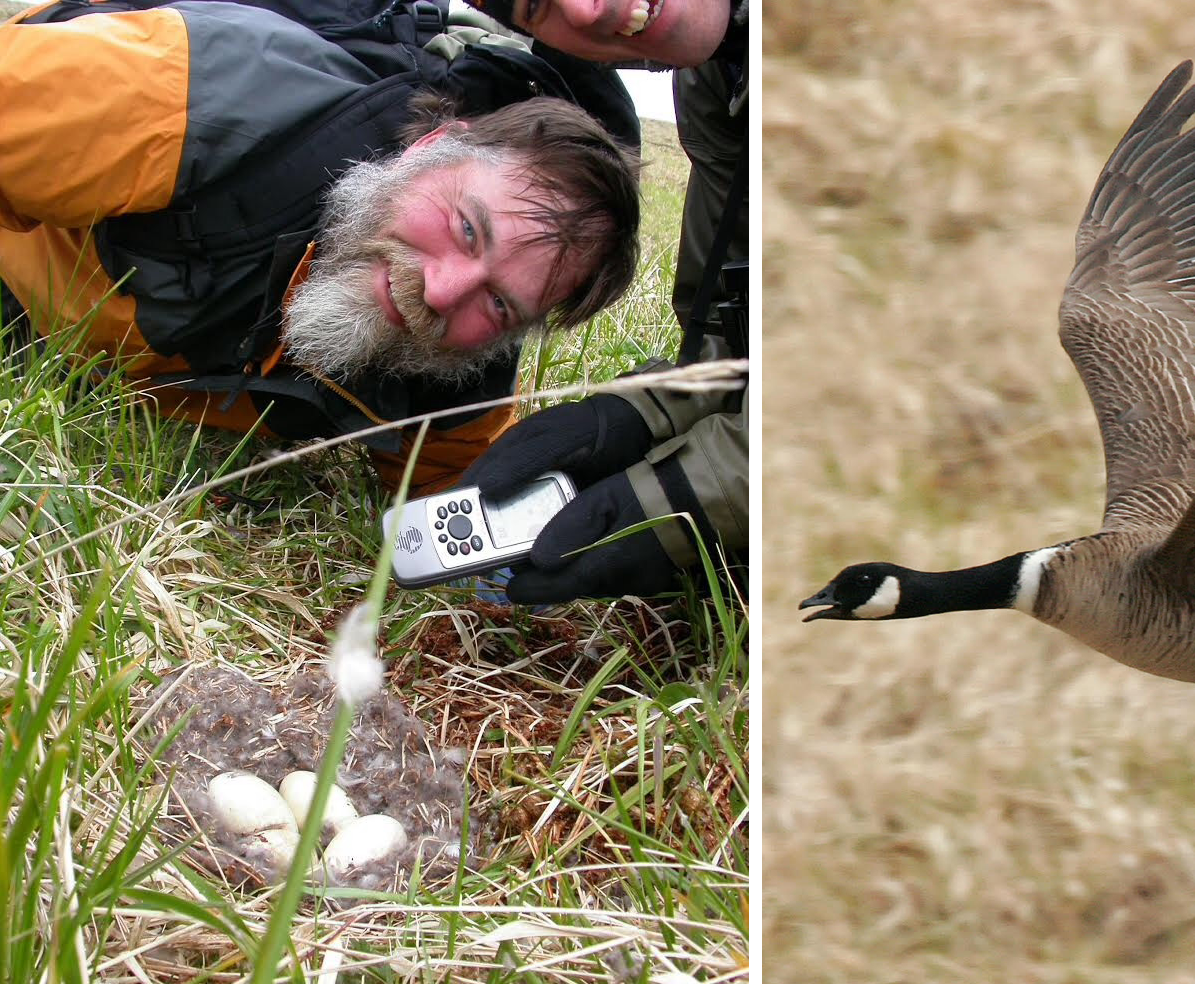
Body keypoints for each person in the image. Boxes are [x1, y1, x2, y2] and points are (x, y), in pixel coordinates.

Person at [0, 0, 642, 494]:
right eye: (468, 229)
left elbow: (456, 483)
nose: (443, 291)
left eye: (501, 304)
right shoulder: (195, 101)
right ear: (426, 149)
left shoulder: (456, 364)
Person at [458, 0, 749, 604]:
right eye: (535, 9)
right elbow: (738, 328)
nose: (587, 10)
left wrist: (704, 492)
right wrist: (643, 414)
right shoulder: (719, 78)